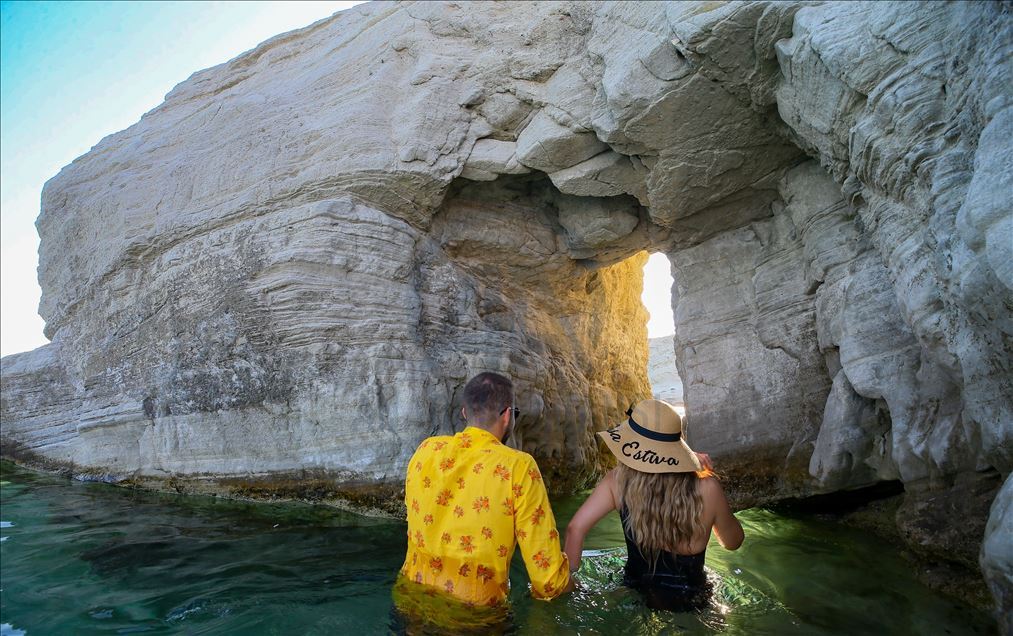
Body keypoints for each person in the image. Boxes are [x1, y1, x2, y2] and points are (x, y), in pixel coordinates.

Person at [395, 372, 573, 622]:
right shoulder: (518, 467)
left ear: (465, 413)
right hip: (473, 616)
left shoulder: (426, 450)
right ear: (508, 415)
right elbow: (548, 582)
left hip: (409, 602)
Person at [563, 399, 743, 611]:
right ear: (677, 447)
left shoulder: (618, 481)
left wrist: (570, 584)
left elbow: (575, 529)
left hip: (635, 592)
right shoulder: (708, 488)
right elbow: (733, 542)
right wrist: (696, 472)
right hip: (693, 602)